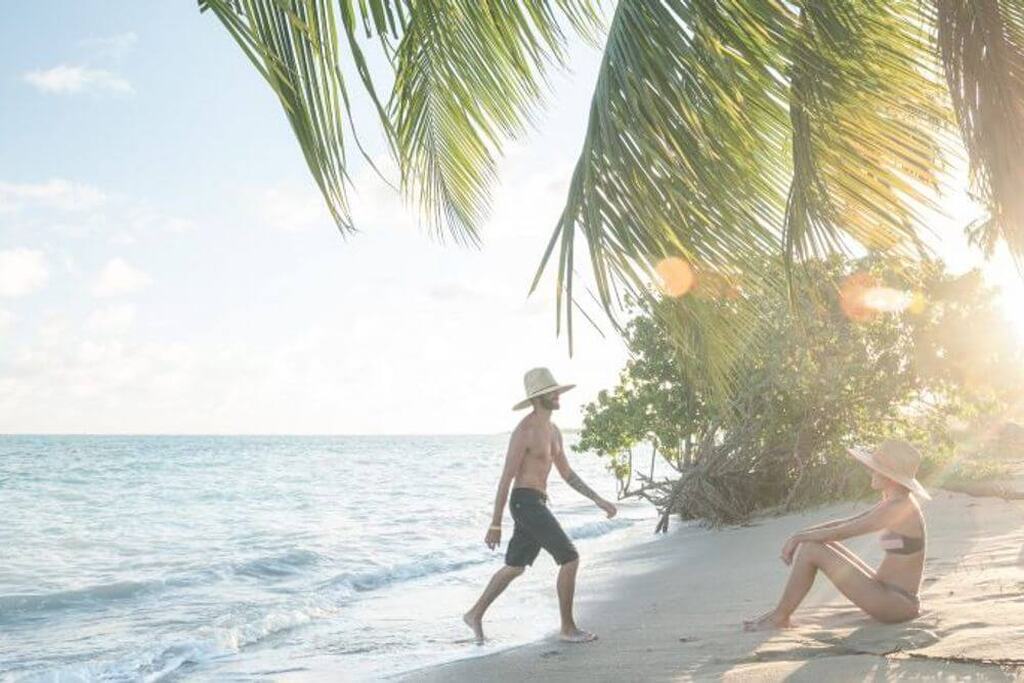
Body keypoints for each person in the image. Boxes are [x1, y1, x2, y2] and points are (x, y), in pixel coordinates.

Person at [463, 367, 617, 644]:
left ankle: (474, 613)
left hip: (536, 502)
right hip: (524, 502)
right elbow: (506, 478)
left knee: (515, 567)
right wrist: (495, 522)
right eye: (551, 392)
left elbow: (567, 474)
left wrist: (598, 499)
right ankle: (568, 628)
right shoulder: (525, 431)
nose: (557, 395)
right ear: (537, 398)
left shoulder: (554, 431)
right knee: (570, 558)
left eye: (556, 390)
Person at [744, 439, 929, 630]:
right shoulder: (896, 502)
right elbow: (845, 523)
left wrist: (798, 539)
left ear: (889, 476)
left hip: (896, 604)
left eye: (875, 469)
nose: (871, 473)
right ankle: (780, 613)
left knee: (811, 550)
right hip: (889, 595)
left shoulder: (898, 507)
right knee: (817, 544)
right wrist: (800, 534)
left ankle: (779, 617)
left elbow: (843, 531)